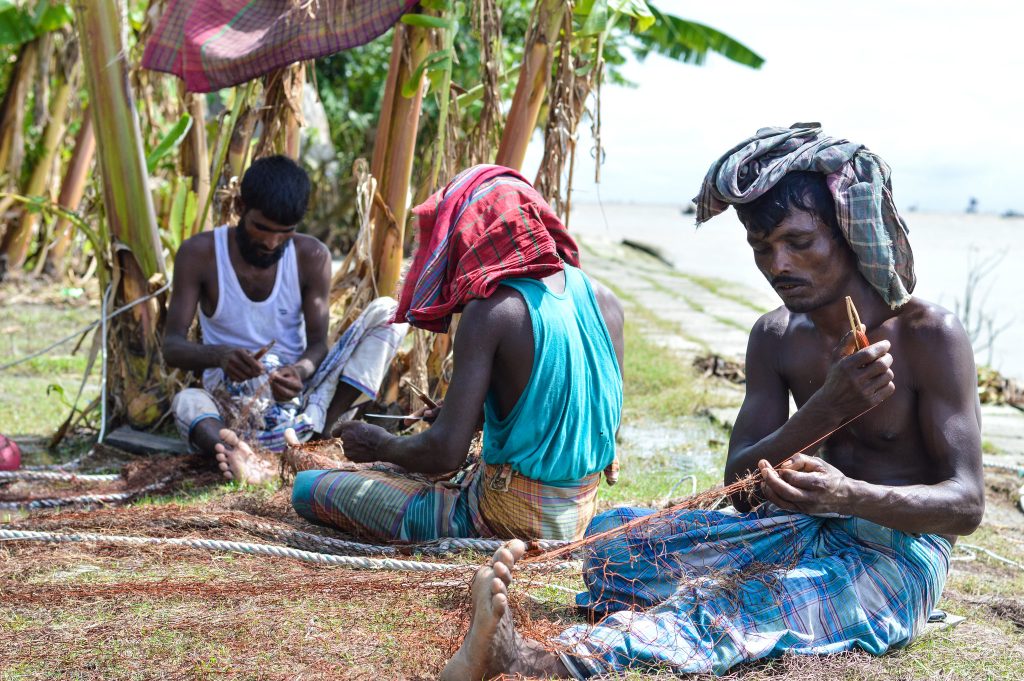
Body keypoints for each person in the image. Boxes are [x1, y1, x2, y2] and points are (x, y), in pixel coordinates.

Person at [439, 123, 985, 679]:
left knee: (749, 604)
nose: (779, 265)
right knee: (618, 547)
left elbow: (966, 506)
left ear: (846, 232)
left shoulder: (927, 335)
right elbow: (739, 487)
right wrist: (826, 409)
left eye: (798, 242)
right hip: (799, 529)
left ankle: (539, 659)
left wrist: (849, 494)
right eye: (761, 247)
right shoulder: (775, 338)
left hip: (899, 553)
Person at [286, 164, 624, 541]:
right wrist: (472, 413)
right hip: (579, 514)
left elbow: (443, 455)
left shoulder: (492, 311)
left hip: (504, 518)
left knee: (309, 489)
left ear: (476, 235)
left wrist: (379, 445)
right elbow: (580, 412)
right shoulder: (605, 301)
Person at [163, 155, 407, 483]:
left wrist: (299, 372)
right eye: (261, 228)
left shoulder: (312, 256)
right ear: (239, 207)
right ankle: (234, 451)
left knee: (391, 312)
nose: (270, 242)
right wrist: (219, 356)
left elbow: (318, 344)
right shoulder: (199, 254)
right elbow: (172, 346)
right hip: (230, 406)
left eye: (284, 233)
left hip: (301, 402)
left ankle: (323, 438)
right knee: (188, 402)